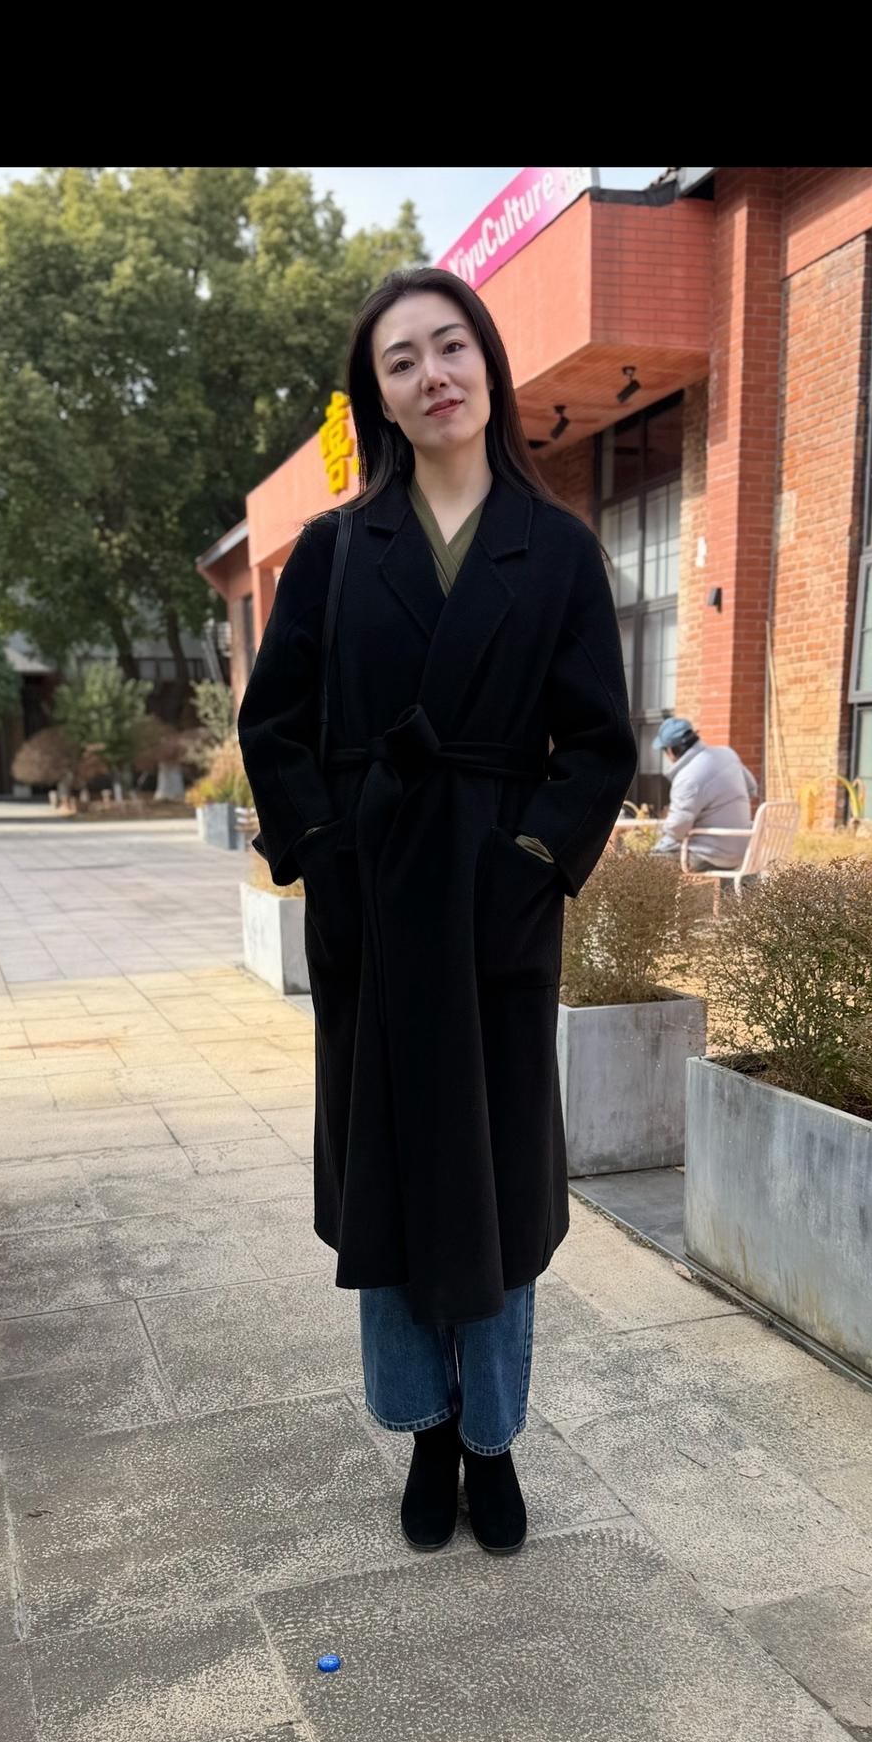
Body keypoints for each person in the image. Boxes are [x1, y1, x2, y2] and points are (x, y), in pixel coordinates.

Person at [238, 269, 636, 1560]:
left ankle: (495, 1436)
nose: (431, 375)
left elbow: (600, 743)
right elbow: (274, 723)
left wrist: (529, 862)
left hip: (494, 901)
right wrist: (324, 852)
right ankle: (422, 1430)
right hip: (375, 896)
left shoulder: (557, 551)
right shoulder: (337, 552)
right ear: (381, 398)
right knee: (393, 1176)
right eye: (399, 361)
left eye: (448, 346)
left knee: (500, 1184)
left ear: (488, 363)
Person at [649, 717, 758, 870]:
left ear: (671, 751)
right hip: (743, 849)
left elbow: (677, 828)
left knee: (648, 865)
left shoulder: (687, 777)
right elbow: (752, 788)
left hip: (710, 855)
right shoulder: (727, 754)